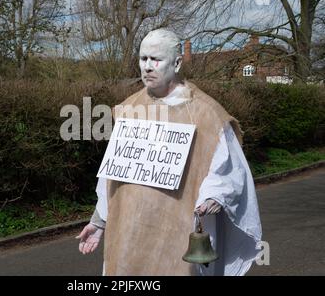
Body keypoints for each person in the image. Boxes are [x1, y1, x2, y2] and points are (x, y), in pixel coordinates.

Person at [75, 28, 262, 276]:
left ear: (176, 62)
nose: (148, 67)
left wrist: (215, 196)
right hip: (129, 233)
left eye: (156, 59)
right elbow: (113, 176)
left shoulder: (207, 115)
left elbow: (229, 169)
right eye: (143, 59)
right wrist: (98, 222)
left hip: (177, 231)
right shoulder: (130, 109)